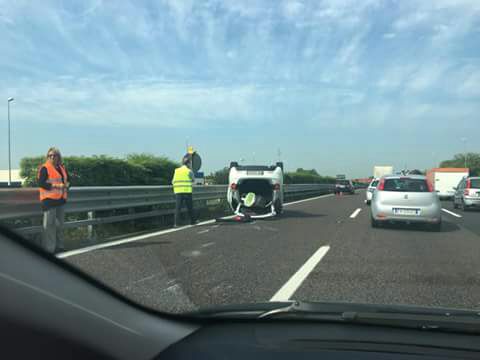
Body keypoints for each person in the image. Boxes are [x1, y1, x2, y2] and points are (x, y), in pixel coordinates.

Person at [37, 147, 70, 253]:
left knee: (60, 225)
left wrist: (68, 185)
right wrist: (57, 186)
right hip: (49, 201)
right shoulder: (44, 168)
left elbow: (68, 180)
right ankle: (50, 249)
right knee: (49, 226)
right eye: (50, 155)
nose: (52, 157)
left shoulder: (62, 168)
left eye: (54, 155)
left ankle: (60, 246)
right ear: (47, 157)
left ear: (58, 156)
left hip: (61, 200)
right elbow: (41, 183)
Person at [172, 155, 197, 227]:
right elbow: (193, 180)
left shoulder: (176, 170)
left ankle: (176, 223)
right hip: (187, 191)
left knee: (178, 208)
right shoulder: (189, 171)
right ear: (188, 163)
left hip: (178, 192)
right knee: (190, 207)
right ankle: (192, 221)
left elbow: (173, 181)